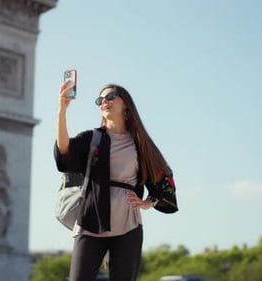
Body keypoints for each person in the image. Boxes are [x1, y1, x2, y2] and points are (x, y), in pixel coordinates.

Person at [55, 80, 178, 281]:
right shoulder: (92, 138)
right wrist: (62, 111)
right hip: (91, 221)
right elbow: (64, 153)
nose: (104, 101)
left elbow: (164, 176)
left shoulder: (140, 142)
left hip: (129, 225)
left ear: (126, 104)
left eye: (110, 96)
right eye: (100, 99)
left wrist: (150, 201)